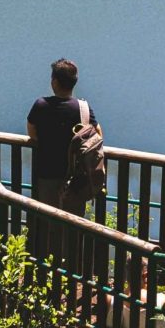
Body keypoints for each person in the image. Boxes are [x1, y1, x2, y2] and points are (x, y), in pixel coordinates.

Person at [27, 58, 102, 215]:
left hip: (46, 175)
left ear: (54, 82)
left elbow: (32, 134)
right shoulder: (83, 109)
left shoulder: (40, 105)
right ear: (73, 83)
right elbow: (98, 136)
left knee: (47, 221)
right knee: (73, 224)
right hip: (77, 178)